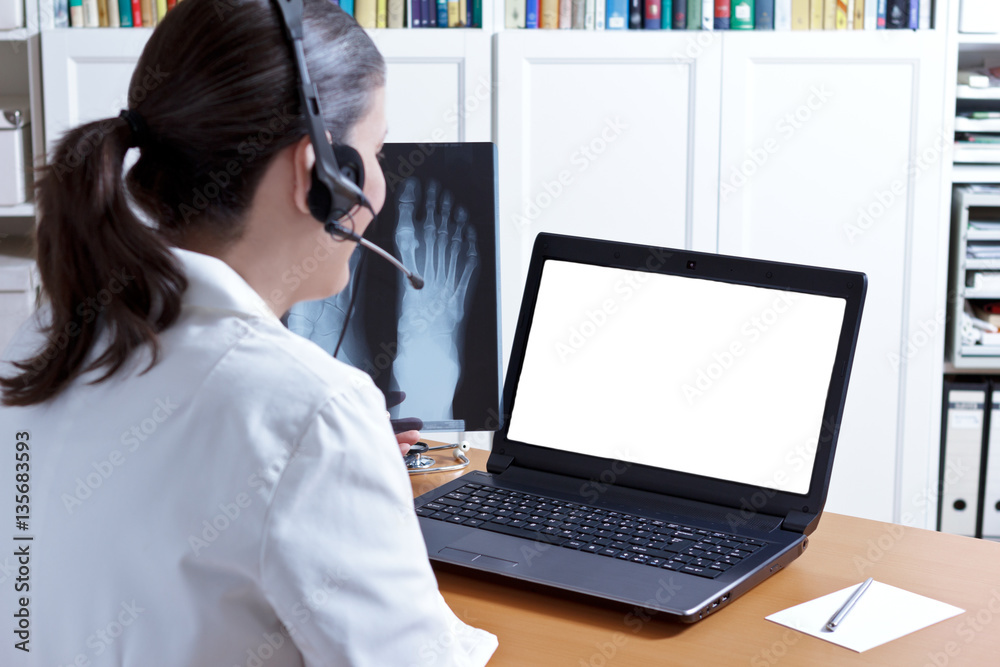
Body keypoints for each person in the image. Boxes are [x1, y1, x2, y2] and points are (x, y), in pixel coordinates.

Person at [0, 0, 498, 664]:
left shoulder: (38, 339)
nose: (379, 179)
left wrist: (329, 467)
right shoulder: (313, 411)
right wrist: (327, 448)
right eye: (377, 152)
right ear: (317, 176)